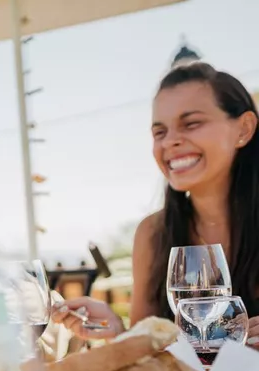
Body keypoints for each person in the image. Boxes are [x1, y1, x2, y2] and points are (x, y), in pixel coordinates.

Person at [55, 62, 259, 346]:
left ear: (244, 129)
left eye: (191, 124)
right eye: (160, 132)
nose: (171, 141)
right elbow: (148, 348)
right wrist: (117, 329)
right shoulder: (153, 233)